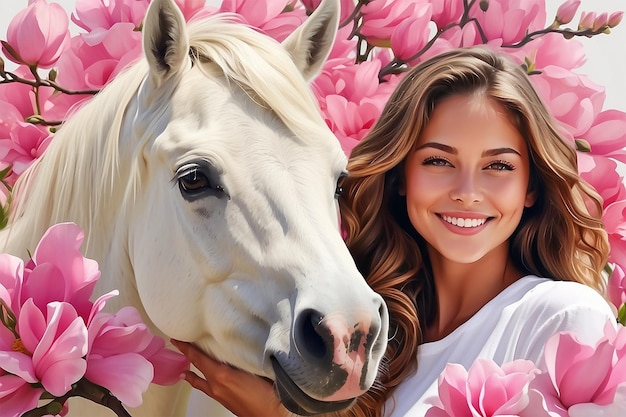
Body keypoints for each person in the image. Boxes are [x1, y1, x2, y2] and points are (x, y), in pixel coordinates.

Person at [172, 46, 617, 417]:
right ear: (402, 175)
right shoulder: (371, 333)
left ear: (531, 187)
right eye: (438, 161)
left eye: (498, 166)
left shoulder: (566, 319)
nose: (467, 193)